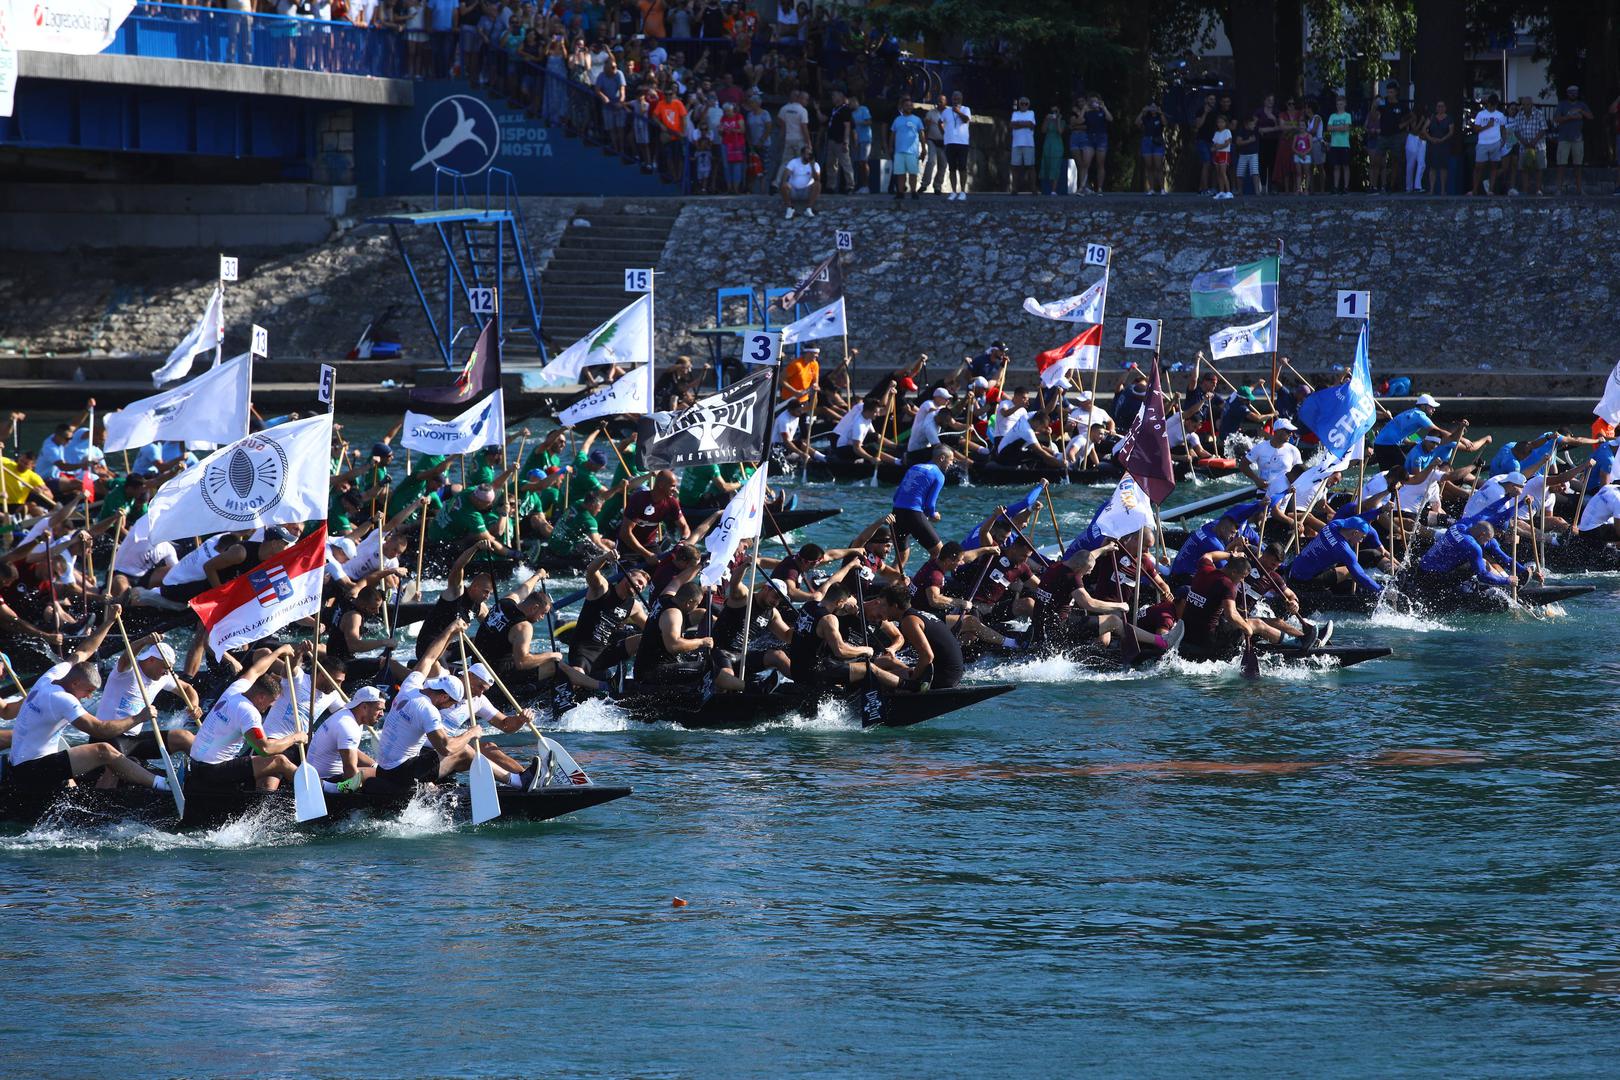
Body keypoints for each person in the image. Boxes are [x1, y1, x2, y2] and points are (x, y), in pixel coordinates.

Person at [3, 614, 177, 801]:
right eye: (88, 691)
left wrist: (109, 621)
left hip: (28, 760)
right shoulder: (61, 699)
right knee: (103, 750)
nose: (89, 697)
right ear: (76, 683)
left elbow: (84, 651)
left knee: (76, 767)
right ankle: (163, 784)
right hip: (31, 770)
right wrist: (138, 718)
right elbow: (99, 730)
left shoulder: (54, 674)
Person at [187, 645, 311, 793]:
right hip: (213, 770)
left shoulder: (235, 689)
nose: (267, 708)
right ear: (261, 697)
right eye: (269, 703)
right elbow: (265, 749)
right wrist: (296, 737)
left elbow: (256, 670)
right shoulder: (249, 713)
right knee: (280, 761)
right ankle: (316, 791)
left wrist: (279, 651)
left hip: (195, 763)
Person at [785, 581, 904, 692]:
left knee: (888, 661)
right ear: (840, 602)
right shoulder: (832, 617)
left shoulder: (810, 605)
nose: (879, 619)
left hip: (799, 668)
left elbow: (899, 637)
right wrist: (865, 650)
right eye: (879, 615)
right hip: (820, 670)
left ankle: (911, 676)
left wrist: (892, 649)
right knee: (871, 668)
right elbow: (840, 651)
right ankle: (908, 686)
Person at [569, 555, 650, 677]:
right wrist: (606, 557)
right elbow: (591, 570)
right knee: (577, 674)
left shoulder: (634, 606)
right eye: (639, 582)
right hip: (583, 651)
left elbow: (651, 628)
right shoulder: (602, 588)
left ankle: (642, 675)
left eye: (643, 587)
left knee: (644, 638)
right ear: (628, 575)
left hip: (605, 651)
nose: (640, 586)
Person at [306, 685, 386, 792]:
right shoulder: (348, 726)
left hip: (319, 774)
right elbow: (349, 769)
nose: (382, 714)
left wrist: (375, 765)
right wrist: (358, 792)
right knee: (376, 774)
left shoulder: (349, 716)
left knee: (379, 770)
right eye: (379, 709)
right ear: (364, 707)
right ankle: (332, 789)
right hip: (325, 781)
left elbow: (352, 751)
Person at [1285, 516, 1390, 595]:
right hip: (1305, 581)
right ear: (1355, 533)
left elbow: (1361, 516)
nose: (1361, 541)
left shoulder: (1333, 525)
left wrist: (1379, 511)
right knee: (1350, 571)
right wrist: (1381, 590)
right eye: (1362, 537)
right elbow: (1360, 575)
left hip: (1293, 568)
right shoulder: (1344, 550)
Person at [891, 446, 952, 568]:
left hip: (896, 513)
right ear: (942, 458)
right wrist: (934, 515)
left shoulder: (915, 467)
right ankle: (922, 581)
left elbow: (896, 496)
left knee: (901, 557)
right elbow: (930, 506)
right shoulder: (939, 475)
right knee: (939, 554)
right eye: (950, 460)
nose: (951, 464)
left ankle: (886, 584)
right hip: (913, 514)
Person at [618, 470, 690, 561]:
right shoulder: (638, 499)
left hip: (650, 546)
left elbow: (684, 527)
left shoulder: (672, 502)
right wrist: (647, 555)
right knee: (633, 575)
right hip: (628, 546)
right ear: (661, 485)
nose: (676, 490)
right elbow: (625, 533)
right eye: (673, 486)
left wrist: (683, 541)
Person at [1372, 394, 1450, 469]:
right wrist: (1459, 438)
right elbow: (1438, 431)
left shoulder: (1412, 414)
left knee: (1388, 474)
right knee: (1403, 472)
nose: (1434, 409)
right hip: (1388, 445)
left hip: (1379, 444)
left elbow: (1407, 439)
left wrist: (1412, 443)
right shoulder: (1420, 416)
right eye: (1431, 407)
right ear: (1423, 406)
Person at [1551, 85, 1593, 195]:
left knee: (1578, 165)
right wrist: (1569, 117)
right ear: (1567, 93)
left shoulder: (1582, 105)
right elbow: (1556, 119)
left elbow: (1590, 116)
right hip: (1564, 138)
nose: (1573, 94)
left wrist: (1581, 111)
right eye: (1571, 92)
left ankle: (1579, 189)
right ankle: (1559, 189)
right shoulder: (1562, 105)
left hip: (1578, 139)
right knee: (1561, 165)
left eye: (1575, 92)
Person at [889, 94, 924, 201]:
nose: (908, 107)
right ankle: (900, 193)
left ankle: (913, 192)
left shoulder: (917, 120)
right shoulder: (897, 120)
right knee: (900, 173)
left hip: (912, 151)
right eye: (906, 106)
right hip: (899, 151)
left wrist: (924, 149)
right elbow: (892, 134)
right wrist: (890, 146)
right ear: (902, 107)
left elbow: (922, 134)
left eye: (910, 105)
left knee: (913, 173)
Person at [1510, 95, 1547, 195]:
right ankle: (1525, 191)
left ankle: (1538, 190)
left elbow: (1543, 129)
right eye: (1524, 105)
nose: (1526, 106)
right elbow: (1516, 131)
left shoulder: (1539, 114)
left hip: (1538, 146)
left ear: (1531, 105)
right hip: (1524, 147)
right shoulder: (1519, 115)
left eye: (1528, 104)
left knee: (1539, 168)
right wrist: (1524, 142)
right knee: (1524, 169)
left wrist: (1534, 142)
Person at [1471, 95, 1508, 196]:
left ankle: (1490, 190)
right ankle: (1474, 189)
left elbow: (1503, 129)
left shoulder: (1500, 115)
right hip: (1482, 143)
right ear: (1488, 104)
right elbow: (1475, 129)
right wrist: (1487, 126)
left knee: (1494, 167)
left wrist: (1503, 141)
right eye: (1491, 105)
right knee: (1478, 167)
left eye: (1494, 105)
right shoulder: (1481, 114)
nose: (1492, 107)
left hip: (1495, 143)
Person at [941, 90, 972, 199]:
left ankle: (963, 191)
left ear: (961, 99)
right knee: (952, 168)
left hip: (962, 143)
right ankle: (953, 191)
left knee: (962, 167)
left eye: (958, 98)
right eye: (954, 98)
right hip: (950, 142)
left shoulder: (966, 109)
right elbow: (940, 122)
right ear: (951, 99)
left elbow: (966, 120)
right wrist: (944, 133)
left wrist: (958, 112)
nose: (956, 100)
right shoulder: (946, 111)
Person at [780, 143, 821, 219]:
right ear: (802, 154)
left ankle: (808, 209)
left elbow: (817, 179)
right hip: (794, 191)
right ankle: (790, 209)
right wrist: (784, 184)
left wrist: (812, 166)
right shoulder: (793, 162)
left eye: (810, 154)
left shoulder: (815, 165)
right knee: (784, 185)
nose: (809, 155)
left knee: (817, 185)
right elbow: (785, 176)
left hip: (806, 191)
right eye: (807, 154)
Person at [1009, 96, 1037, 195]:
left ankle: (1033, 188)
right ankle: (1014, 188)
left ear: (1028, 105)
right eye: (1022, 103)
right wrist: (1025, 124)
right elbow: (1012, 125)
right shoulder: (1015, 113)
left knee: (1031, 166)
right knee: (1015, 167)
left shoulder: (1031, 113)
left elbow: (1032, 125)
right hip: (1016, 143)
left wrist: (1018, 124)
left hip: (1028, 143)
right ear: (1019, 104)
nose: (1024, 105)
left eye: (1026, 104)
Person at [1425, 100, 1455, 195]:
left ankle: (1443, 190)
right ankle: (1431, 190)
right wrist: (1430, 138)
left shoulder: (1449, 119)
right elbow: (1424, 129)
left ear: (1445, 108)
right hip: (1433, 145)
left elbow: (1451, 132)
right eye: (1438, 106)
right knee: (1432, 167)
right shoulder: (1432, 118)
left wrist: (1442, 139)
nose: (1440, 108)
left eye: (1442, 106)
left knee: (1443, 168)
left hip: (1444, 145)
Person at [1138, 100, 1166, 194]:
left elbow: (1165, 123)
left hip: (1157, 141)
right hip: (1147, 141)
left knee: (1158, 165)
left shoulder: (1159, 117)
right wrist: (1142, 112)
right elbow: (1137, 123)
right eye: (1151, 107)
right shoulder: (1146, 117)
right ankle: (1151, 189)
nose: (1153, 109)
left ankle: (1162, 189)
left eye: (1155, 107)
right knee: (1149, 166)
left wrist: (1160, 112)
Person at [1210, 114, 1233, 199]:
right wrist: (1214, 148)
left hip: (1225, 153)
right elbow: (1214, 144)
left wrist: (1217, 147)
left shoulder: (1227, 131)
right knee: (1218, 173)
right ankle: (1221, 191)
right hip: (1217, 154)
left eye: (1222, 122)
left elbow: (1227, 143)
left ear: (1225, 123)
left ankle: (1229, 192)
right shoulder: (1216, 133)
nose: (1220, 124)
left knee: (1223, 173)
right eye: (1218, 122)